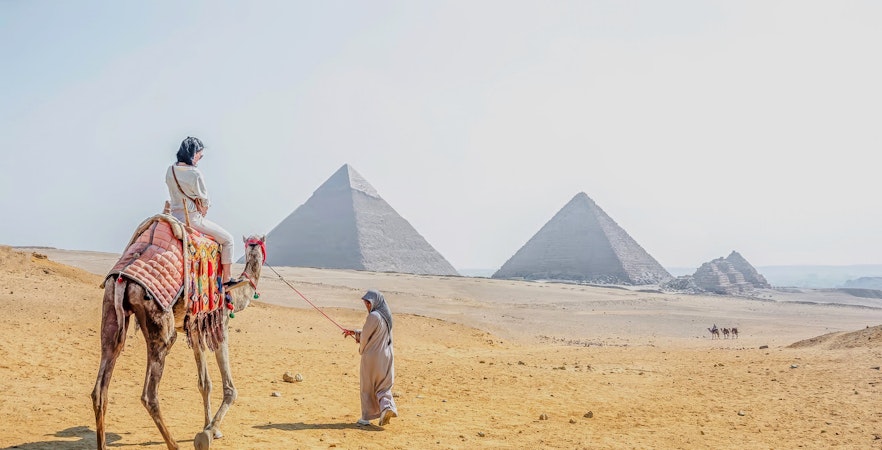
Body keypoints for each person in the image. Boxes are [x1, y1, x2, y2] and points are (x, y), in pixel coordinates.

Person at [165, 136, 238, 285]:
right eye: (200, 154)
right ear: (193, 153)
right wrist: (203, 210)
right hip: (192, 220)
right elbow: (205, 202)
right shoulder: (195, 174)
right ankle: (227, 279)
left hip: (172, 217)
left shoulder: (170, 170)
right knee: (228, 240)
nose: (200, 157)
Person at [343, 289, 398, 427]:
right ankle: (387, 408)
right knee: (383, 385)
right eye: (366, 303)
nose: (367, 306)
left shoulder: (373, 316)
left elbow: (366, 337)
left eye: (368, 303)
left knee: (367, 386)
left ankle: (366, 417)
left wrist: (361, 348)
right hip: (387, 355)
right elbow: (376, 334)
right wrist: (355, 332)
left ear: (375, 302)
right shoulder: (386, 315)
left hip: (372, 356)